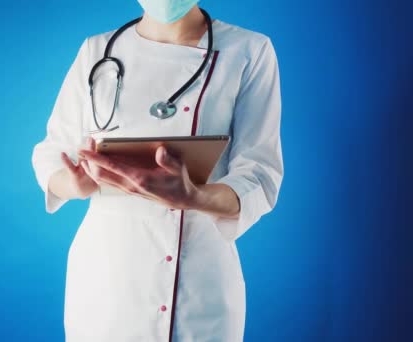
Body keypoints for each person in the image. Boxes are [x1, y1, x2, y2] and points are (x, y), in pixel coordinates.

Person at [31, 0, 283, 340]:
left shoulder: (249, 50)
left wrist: (195, 196)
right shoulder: (97, 51)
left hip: (200, 288)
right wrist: (73, 183)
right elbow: (52, 152)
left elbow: (259, 175)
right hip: (106, 284)